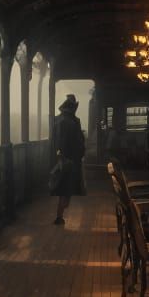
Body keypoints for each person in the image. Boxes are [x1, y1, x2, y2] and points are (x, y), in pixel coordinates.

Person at [50, 94, 85, 225]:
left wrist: (58, 157)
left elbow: (55, 142)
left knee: (63, 190)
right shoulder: (72, 121)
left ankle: (60, 215)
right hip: (70, 160)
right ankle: (59, 216)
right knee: (66, 190)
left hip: (63, 159)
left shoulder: (58, 120)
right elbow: (75, 141)